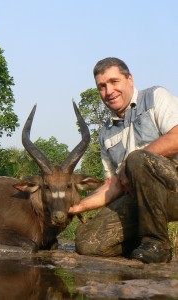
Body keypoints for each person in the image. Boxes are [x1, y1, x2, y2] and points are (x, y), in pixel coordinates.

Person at [69, 57, 178, 263]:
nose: (108, 91)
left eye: (114, 82)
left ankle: (158, 244)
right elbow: (113, 185)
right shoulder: (105, 134)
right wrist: (76, 206)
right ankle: (142, 243)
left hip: (174, 188)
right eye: (102, 86)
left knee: (137, 159)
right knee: (87, 242)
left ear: (130, 79)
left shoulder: (155, 97)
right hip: (141, 201)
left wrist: (128, 163)